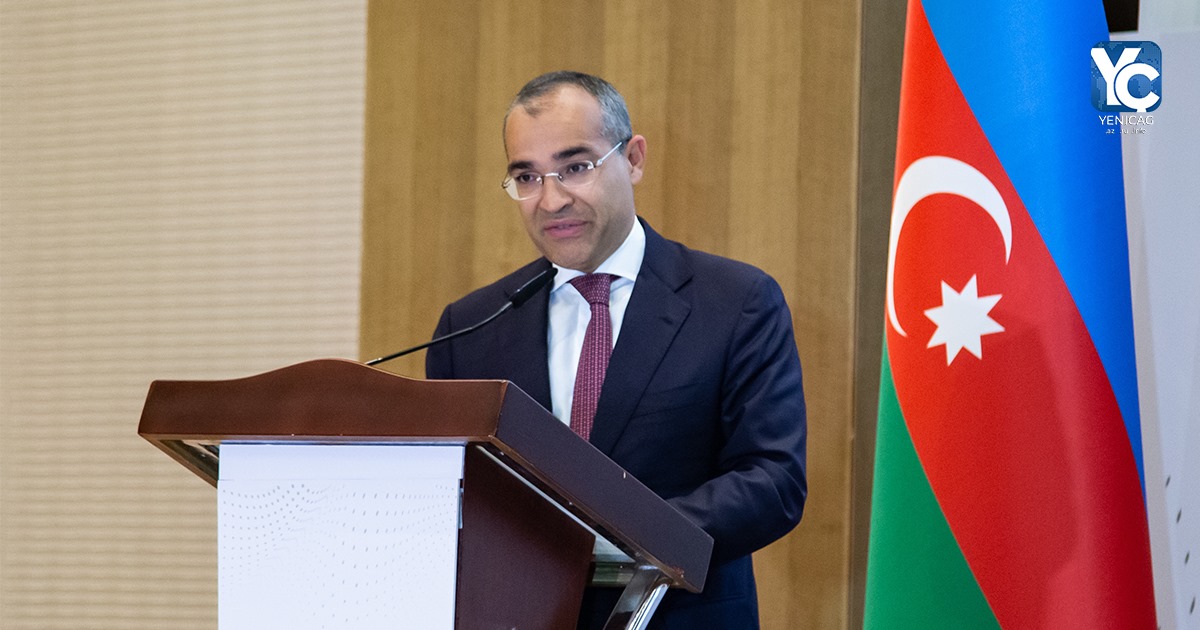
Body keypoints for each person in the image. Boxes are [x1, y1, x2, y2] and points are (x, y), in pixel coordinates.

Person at [425, 70, 807, 630]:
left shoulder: (736, 302)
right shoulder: (470, 328)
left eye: (575, 167)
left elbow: (773, 481)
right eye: (527, 177)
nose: (551, 199)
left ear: (633, 159)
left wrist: (620, 537)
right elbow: (450, 497)